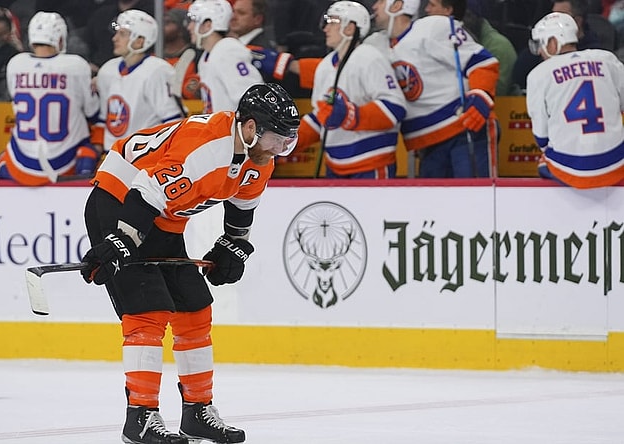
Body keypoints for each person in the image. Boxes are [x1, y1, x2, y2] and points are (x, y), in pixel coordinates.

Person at [80, 82, 300, 444]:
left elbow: (242, 208)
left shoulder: (259, 158)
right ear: (249, 128)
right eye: (277, 138)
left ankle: (197, 411)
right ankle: (141, 417)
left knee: (195, 308)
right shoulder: (207, 149)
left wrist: (233, 245)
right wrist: (119, 241)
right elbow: (145, 192)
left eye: (287, 140)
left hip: (164, 217)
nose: (281, 148)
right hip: (120, 202)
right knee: (148, 308)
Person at [371, 0, 500, 178]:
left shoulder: (433, 27)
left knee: (475, 200)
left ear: (396, 5)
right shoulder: (375, 46)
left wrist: (480, 96)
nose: (374, 6)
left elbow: (481, 61)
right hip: (428, 144)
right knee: (435, 205)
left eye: (380, 1)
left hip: (463, 128)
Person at [297, 0, 406, 178]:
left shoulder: (370, 58)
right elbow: (321, 117)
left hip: (371, 163)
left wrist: (350, 115)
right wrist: (289, 140)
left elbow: (395, 109)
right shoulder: (325, 66)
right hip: (334, 165)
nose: (325, 28)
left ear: (350, 28)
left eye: (332, 22)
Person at [0, 11, 101, 185]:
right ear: (59, 39)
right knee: (91, 148)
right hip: (66, 162)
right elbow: (93, 111)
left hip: (22, 161)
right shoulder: (76, 65)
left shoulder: (16, 63)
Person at [525, 11, 624, 188]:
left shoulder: (538, 75)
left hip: (571, 169)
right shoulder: (607, 59)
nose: (539, 51)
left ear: (554, 42)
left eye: (541, 43)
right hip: (617, 161)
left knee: (544, 160)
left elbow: (542, 138)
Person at [95, 10, 185, 154]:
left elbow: (172, 120)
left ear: (140, 41)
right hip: (110, 156)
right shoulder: (107, 70)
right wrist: (95, 150)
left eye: (122, 34)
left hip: (143, 157)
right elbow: (104, 118)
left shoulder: (157, 70)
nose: (115, 38)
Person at [187, 0, 264, 113]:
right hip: (221, 128)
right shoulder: (206, 56)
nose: (189, 27)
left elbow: (253, 100)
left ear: (208, 25)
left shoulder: (227, 50)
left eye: (194, 21)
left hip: (235, 129)